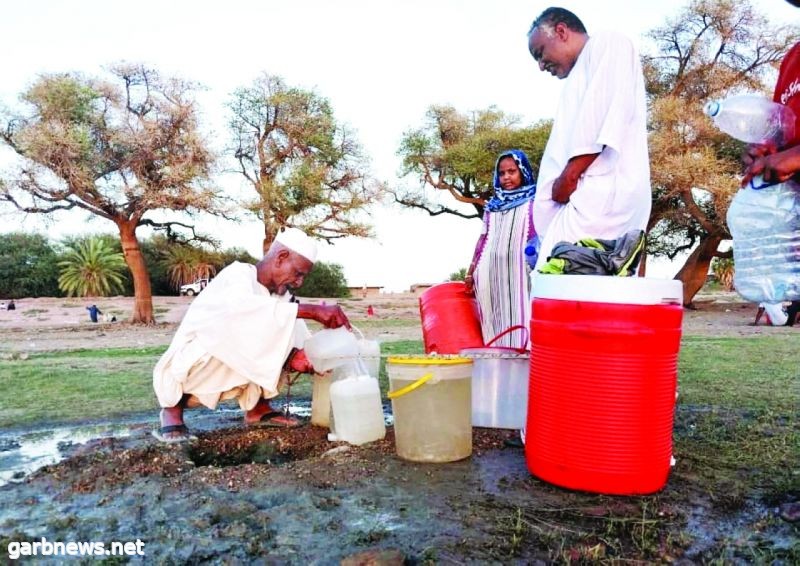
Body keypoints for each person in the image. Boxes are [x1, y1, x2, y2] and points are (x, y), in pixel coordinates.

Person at [152, 228, 351, 443]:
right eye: (298, 273)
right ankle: (172, 409)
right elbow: (239, 314)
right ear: (281, 257)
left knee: (286, 331)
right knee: (239, 335)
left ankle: (258, 408)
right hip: (197, 360)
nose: (299, 282)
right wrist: (313, 310)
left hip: (233, 356)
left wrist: (308, 357)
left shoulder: (282, 297)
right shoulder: (237, 274)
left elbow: (295, 331)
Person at [527, 7, 651, 271]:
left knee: (555, 293)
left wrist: (569, 177)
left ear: (561, 32)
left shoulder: (608, 43)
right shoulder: (585, 67)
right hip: (586, 203)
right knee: (582, 300)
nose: (540, 65)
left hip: (596, 202)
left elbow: (604, 117)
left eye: (540, 53)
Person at [465, 149, 537, 348]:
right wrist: (471, 272)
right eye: (502, 173)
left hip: (521, 274)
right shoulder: (492, 207)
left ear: (523, 172)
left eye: (512, 171)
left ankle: (525, 374)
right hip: (490, 276)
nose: (506, 177)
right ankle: (498, 372)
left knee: (523, 321)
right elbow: (482, 240)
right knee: (494, 324)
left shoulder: (535, 202)